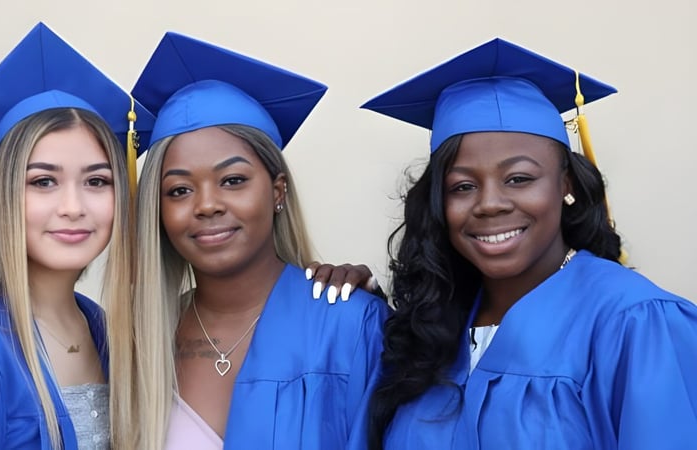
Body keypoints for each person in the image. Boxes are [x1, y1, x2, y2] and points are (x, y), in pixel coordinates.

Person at [360, 38, 697, 449]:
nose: (490, 204)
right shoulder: (436, 326)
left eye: (519, 178)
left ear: (565, 184)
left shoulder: (634, 322)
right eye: (462, 186)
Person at [113, 32, 391, 450]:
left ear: (277, 191)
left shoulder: (351, 325)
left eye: (233, 180)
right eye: (179, 190)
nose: (206, 205)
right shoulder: (142, 338)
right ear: (157, 209)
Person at [0, 23, 155, 449]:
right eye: (42, 182)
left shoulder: (104, 330)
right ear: (0, 197)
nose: (73, 206)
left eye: (96, 181)